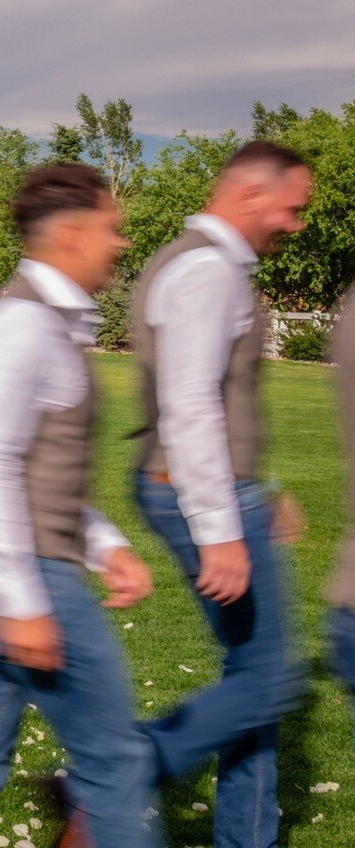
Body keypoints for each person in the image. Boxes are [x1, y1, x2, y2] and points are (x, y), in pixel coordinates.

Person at [0, 164, 160, 848]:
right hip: (19, 574)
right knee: (115, 762)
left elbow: (33, 472)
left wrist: (105, 544)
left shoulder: (47, 321)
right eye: (113, 229)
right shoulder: (22, 324)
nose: (122, 243)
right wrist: (20, 601)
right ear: (72, 234)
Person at [130, 140, 311, 847]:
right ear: (248, 195)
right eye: (291, 208)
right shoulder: (208, 271)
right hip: (196, 491)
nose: (295, 224)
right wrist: (222, 528)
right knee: (267, 680)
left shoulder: (198, 262)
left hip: (216, 487)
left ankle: (248, 838)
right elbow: (191, 405)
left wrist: (262, 487)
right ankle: (116, 772)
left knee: (256, 676)